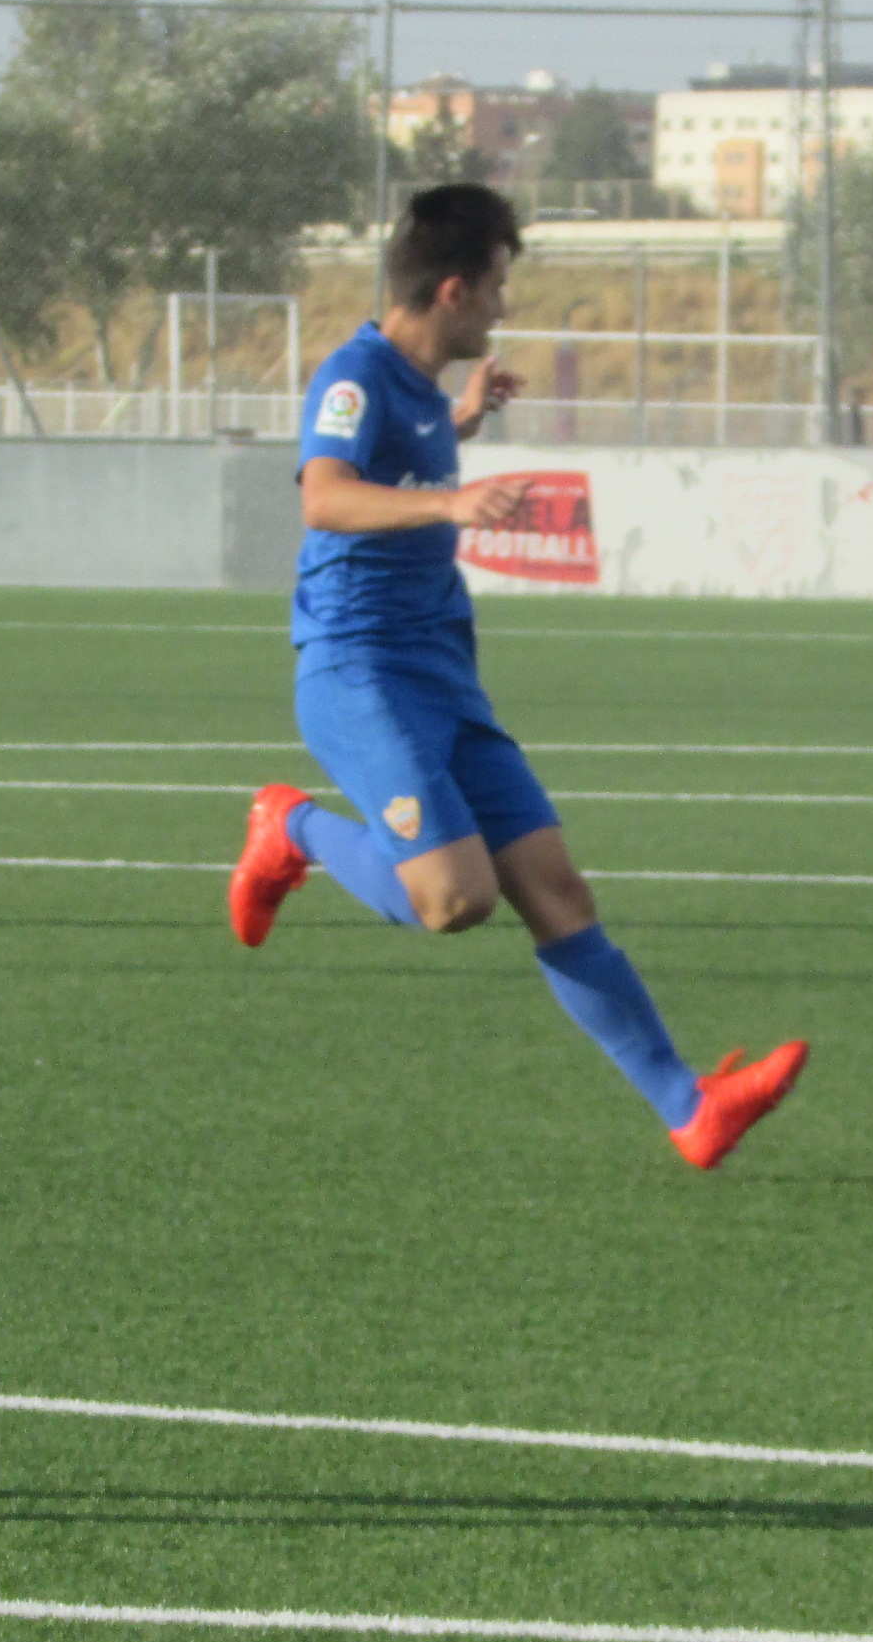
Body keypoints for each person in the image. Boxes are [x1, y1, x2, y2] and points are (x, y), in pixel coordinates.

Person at [227, 183, 806, 1170]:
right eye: (498, 285)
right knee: (455, 900)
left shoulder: (417, 393)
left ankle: (690, 1108)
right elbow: (324, 500)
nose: (504, 305)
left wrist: (464, 418)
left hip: (445, 673)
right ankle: (291, 829)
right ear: (453, 288)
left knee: (558, 892)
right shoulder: (353, 375)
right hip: (360, 671)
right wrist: (454, 500)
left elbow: (403, 461)